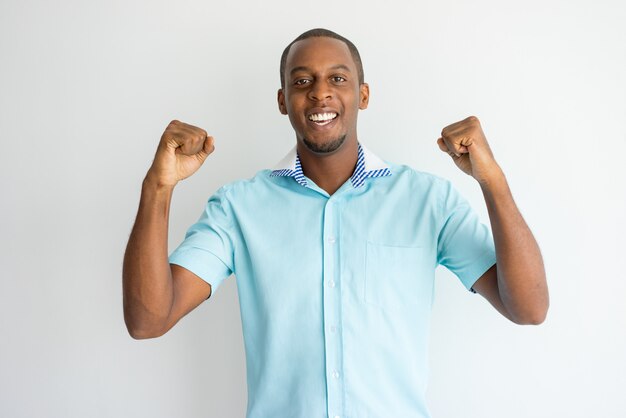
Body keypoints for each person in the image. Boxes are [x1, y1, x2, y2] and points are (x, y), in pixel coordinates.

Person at [123, 28, 549, 418]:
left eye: (338, 79)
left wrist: (492, 181)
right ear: (282, 99)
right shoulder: (239, 207)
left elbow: (528, 307)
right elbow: (147, 321)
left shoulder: (428, 201)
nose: (320, 94)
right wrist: (157, 187)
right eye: (302, 81)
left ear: (363, 95)